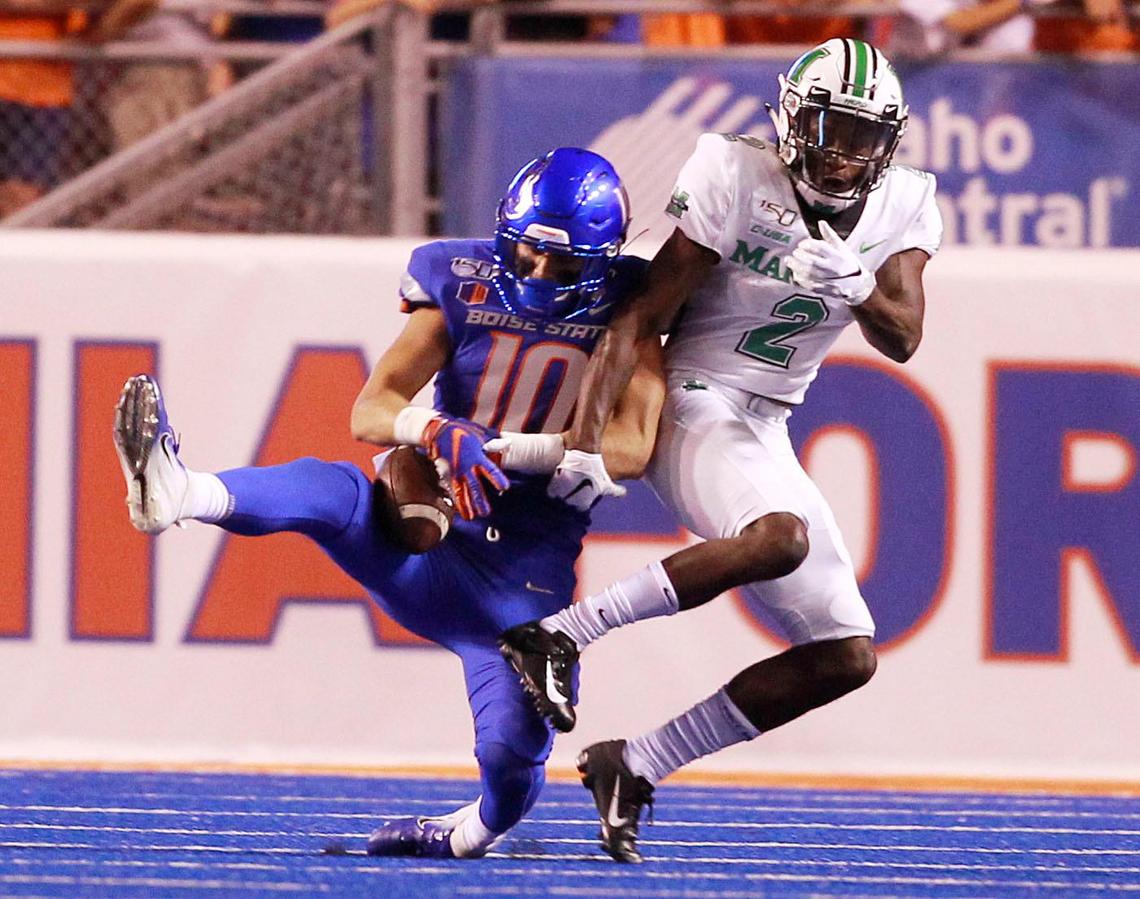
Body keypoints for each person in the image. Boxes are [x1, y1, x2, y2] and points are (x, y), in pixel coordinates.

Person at [112, 147, 665, 859]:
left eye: (561, 266)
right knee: (336, 492)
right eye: (526, 254)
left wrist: (498, 447)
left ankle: (468, 834)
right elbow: (373, 408)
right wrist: (435, 427)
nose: (535, 275)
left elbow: (632, 444)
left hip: (519, 595)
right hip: (425, 537)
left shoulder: (634, 301)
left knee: (513, 755)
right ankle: (179, 491)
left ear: (602, 259)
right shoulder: (462, 277)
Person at [497, 38, 943, 863]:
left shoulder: (906, 204)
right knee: (781, 536)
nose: (843, 155)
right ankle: (556, 633)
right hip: (693, 394)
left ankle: (634, 762)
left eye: (861, 138)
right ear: (791, 119)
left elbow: (906, 335)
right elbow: (641, 314)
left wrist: (855, 285)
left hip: (763, 419)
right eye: (829, 129)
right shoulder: (736, 173)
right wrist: (592, 441)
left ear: (890, 144)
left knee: (845, 655)